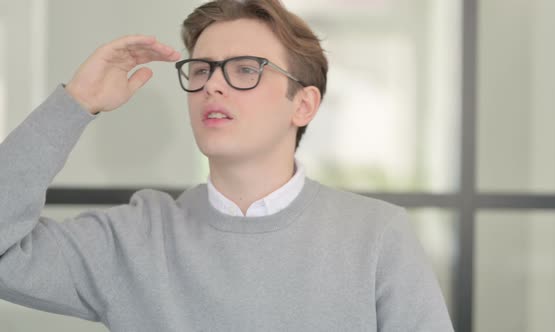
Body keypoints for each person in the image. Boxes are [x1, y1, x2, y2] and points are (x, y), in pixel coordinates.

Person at [0, 0, 454, 331]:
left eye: (245, 69)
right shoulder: (134, 239)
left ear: (304, 105)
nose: (213, 85)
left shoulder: (377, 237)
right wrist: (75, 104)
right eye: (201, 70)